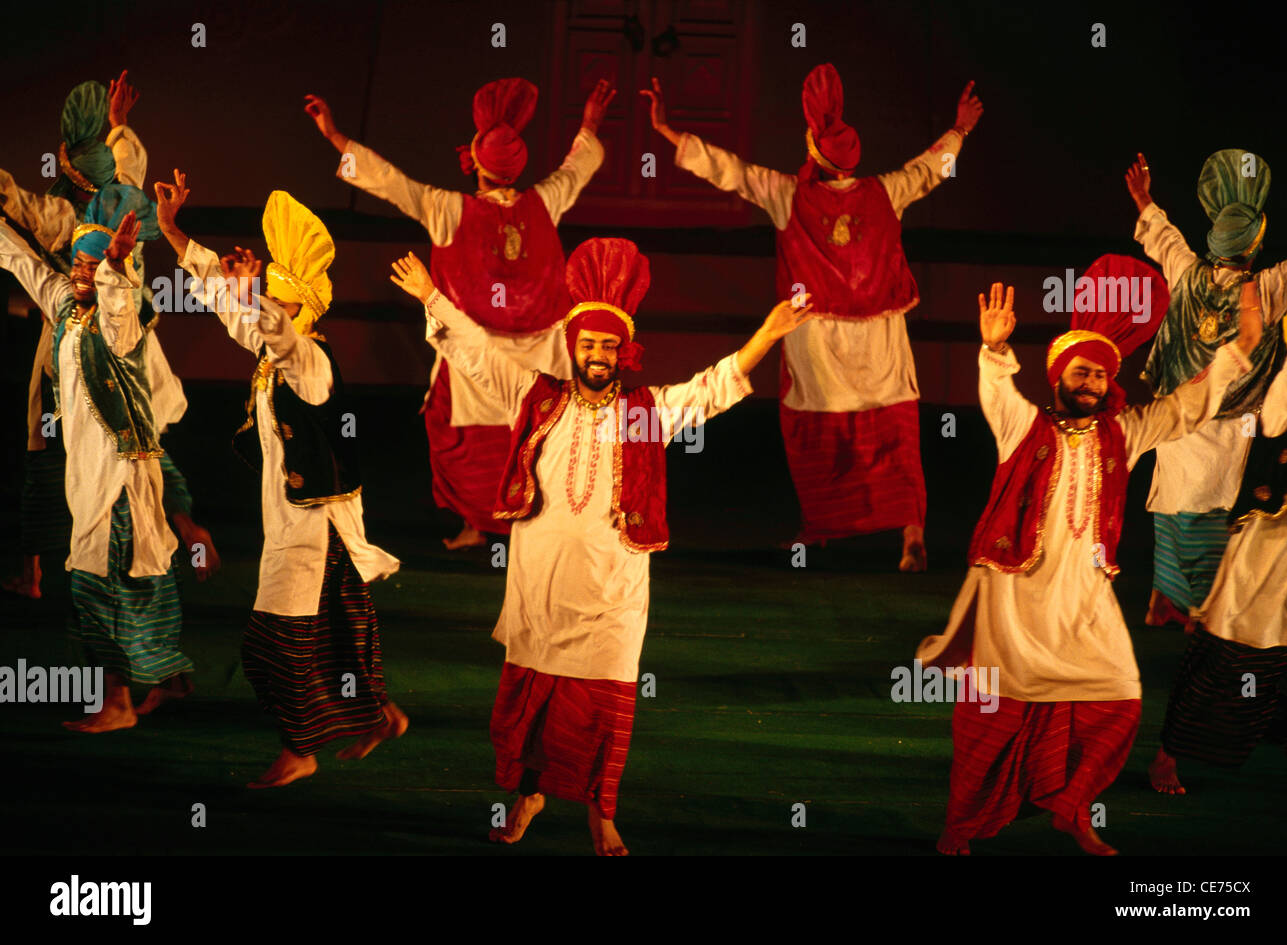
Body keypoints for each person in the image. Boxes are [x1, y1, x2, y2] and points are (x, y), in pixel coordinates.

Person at [390, 237, 813, 854]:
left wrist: (769, 334)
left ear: (623, 352)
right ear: (574, 347)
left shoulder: (645, 413)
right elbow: (479, 353)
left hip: (612, 595)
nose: (596, 355)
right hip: (541, 586)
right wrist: (432, 296)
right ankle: (529, 795)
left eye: (607, 346)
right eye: (587, 344)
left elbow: (710, 388)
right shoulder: (536, 399)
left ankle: (602, 812)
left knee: (605, 709)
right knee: (531, 705)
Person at [917, 278, 1259, 855]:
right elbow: (996, 391)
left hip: (1085, 598)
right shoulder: (1023, 428)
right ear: (1058, 379)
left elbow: (1185, 408)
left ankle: (1071, 808)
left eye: (1100, 374)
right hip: (1015, 596)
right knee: (991, 716)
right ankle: (960, 825)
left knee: (1121, 697)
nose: (1092, 383)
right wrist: (995, 348)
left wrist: (1241, 348)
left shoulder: (1123, 434)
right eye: (1081, 373)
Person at [642, 64, 983, 570]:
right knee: (895, 431)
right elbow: (930, 169)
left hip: (817, 338)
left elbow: (730, 170)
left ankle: (820, 530)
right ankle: (911, 537)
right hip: (880, 337)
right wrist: (961, 129)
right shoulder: (886, 191)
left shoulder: (789, 195)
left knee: (818, 435)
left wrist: (669, 132)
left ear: (813, 155)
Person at [154, 171, 405, 788]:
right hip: (298, 521)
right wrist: (175, 234)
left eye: (274, 296)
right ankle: (377, 716)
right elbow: (234, 312)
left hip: (315, 528)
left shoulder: (310, 361)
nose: (262, 303)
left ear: (300, 308)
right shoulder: (272, 352)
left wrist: (252, 298)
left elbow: (276, 335)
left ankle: (301, 749)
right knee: (339, 632)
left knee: (271, 646)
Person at [306, 77, 614, 549]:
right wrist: (591, 122)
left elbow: (388, 182)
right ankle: (518, 526)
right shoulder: (546, 201)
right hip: (544, 352)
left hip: (476, 350)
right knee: (535, 439)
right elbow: (578, 168)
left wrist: (333, 137)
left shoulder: (446, 208)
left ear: (476, 163)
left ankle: (482, 524)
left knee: (461, 435)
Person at [1, 72, 215, 599]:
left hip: (73, 347)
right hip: (131, 348)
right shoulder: (128, 200)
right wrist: (119, 123)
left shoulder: (67, 215)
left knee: (51, 450)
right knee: (140, 440)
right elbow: (129, 161)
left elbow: (16, 216)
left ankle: (39, 571)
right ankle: (178, 530)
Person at [0, 185, 195, 731]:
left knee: (99, 590)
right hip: (87, 479)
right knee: (136, 586)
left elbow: (116, 305)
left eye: (96, 266)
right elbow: (20, 260)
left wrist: (114, 268)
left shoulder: (123, 320)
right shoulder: (66, 305)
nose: (85, 275)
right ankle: (166, 679)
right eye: (80, 264)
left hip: (118, 484)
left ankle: (116, 704)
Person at [1127, 150, 1287, 627]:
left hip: (1177, 420)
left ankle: (1161, 599)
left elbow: (1164, 240)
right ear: (1254, 244)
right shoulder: (1265, 288)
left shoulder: (1187, 273)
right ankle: (1201, 609)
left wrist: (1144, 199)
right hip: (1230, 429)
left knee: (1171, 508)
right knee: (1209, 518)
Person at [1149, 306, 1287, 794]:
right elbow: (1276, 420)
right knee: (1230, 647)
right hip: (1275, 537)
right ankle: (1168, 755)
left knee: (1282, 663)